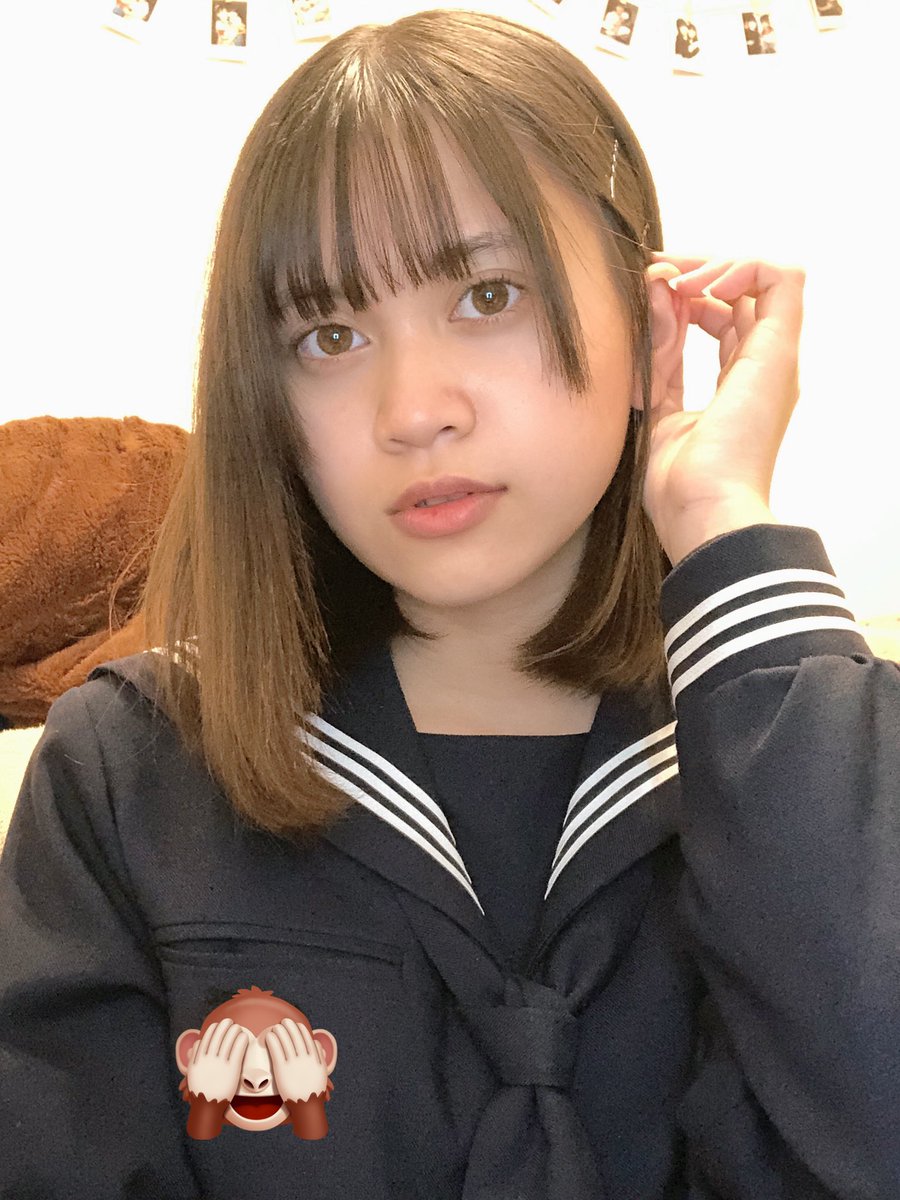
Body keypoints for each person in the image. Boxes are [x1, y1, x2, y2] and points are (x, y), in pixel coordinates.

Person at [1, 8, 898, 1198]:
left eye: (487, 295)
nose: (414, 409)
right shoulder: (130, 770)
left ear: (647, 329)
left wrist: (726, 523)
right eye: (328, 333)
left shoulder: (811, 745)